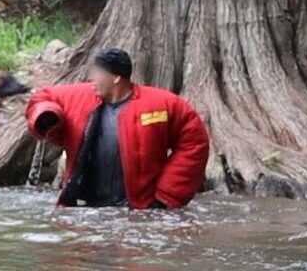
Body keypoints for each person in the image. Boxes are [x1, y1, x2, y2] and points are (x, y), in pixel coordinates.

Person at [25, 47, 210, 209]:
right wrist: (47, 115)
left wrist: (165, 196)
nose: (91, 78)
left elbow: (194, 142)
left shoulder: (162, 104)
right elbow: (41, 97)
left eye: (97, 72)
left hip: (140, 211)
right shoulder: (79, 96)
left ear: (115, 77)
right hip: (84, 210)